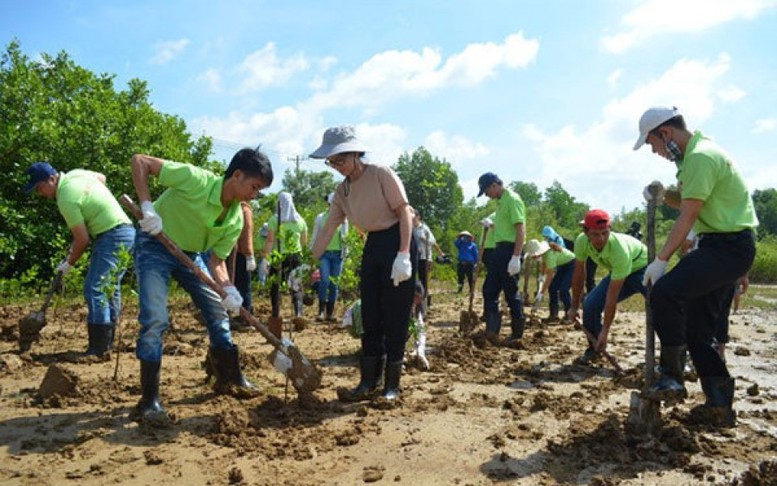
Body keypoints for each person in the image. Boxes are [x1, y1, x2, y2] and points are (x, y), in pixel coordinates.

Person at [635, 106, 758, 426]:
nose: (655, 152)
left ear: (666, 133)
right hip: (727, 247)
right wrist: (664, 195)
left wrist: (661, 261)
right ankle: (719, 406)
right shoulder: (695, 158)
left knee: (665, 293)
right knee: (698, 332)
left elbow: (689, 215)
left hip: (725, 247)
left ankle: (672, 377)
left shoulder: (701, 157)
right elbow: (692, 199)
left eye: (653, 144)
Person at [130, 147, 273, 420]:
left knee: (218, 313)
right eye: (254, 187)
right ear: (237, 175)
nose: (254, 196)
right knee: (156, 318)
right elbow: (141, 161)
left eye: (259, 191)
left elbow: (217, 261)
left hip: (191, 255)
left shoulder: (235, 218)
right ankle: (149, 401)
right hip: (155, 242)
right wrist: (147, 207)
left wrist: (229, 289)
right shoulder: (195, 179)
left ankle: (229, 379)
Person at [310, 125, 416, 402]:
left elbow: (404, 212)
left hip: (398, 240)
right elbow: (328, 229)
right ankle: (368, 381)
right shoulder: (342, 191)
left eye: (340, 160)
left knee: (395, 314)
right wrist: (308, 263)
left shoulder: (381, 174)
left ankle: (392, 385)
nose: (336, 166)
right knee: (369, 314)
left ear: (356, 153)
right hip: (374, 245)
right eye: (331, 162)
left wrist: (404, 254)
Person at [24, 162, 135, 357]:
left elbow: (83, 240)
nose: (40, 193)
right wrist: (96, 204)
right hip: (124, 230)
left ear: (52, 179)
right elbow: (102, 177)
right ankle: (106, 342)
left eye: (40, 187)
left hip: (112, 235)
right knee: (109, 287)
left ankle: (98, 348)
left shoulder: (65, 198)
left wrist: (68, 264)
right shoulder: (76, 174)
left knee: (95, 288)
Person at [567, 209, 648, 365]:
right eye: (596, 234)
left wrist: (605, 331)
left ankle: (673, 360)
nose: (601, 238)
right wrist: (574, 306)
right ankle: (595, 348)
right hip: (618, 271)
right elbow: (578, 276)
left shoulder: (619, 250)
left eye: (605, 233)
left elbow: (611, 299)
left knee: (661, 307)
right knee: (590, 304)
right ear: (586, 232)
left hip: (642, 269)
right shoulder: (581, 241)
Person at [477, 172, 526, 346]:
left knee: (511, 292)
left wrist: (516, 256)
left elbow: (520, 229)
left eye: (486, 192)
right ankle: (492, 333)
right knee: (489, 289)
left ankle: (517, 334)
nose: (487, 196)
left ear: (494, 185)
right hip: (498, 251)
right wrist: (492, 225)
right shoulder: (499, 202)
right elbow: (505, 225)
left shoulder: (512, 199)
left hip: (510, 250)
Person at [260, 192, 308, 319]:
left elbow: (270, 241)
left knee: (275, 285)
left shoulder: (274, 220)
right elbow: (304, 242)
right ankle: (298, 313)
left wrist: (266, 258)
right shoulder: (300, 221)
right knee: (295, 284)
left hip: (279, 256)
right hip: (296, 256)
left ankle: (275, 314)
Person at [310, 192, 349, 322]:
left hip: (338, 255)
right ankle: (321, 311)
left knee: (334, 284)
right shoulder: (321, 218)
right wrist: (311, 252)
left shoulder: (344, 220)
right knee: (325, 280)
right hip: (324, 254)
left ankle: (330, 314)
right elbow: (315, 236)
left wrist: (346, 253)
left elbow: (345, 238)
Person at [526, 237, 575, 323]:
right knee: (552, 288)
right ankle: (553, 315)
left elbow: (550, 277)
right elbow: (544, 264)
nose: (534, 258)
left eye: (534, 256)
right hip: (564, 266)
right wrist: (541, 275)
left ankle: (569, 315)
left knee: (563, 289)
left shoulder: (549, 255)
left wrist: (541, 293)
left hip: (573, 265)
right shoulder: (544, 254)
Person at [227, 202, 257, 317]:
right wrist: (249, 255)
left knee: (232, 284)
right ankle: (245, 316)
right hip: (241, 254)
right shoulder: (245, 210)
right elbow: (247, 233)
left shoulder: (230, 208)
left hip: (228, 251)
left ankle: (239, 314)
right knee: (244, 287)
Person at [413, 209, 444, 305]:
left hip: (425, 257)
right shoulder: (410, 228)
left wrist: (424, 240)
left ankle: (425, 299)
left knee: (424, 279)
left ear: (418, 217)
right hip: (414, 256)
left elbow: (432, 242)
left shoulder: (424, 228)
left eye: (414, 216)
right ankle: (417, 298)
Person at [409, 280, 430, 370]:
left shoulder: (418, 307)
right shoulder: (399, 305)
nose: (417, 301)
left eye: (419, 299)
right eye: (415, 297)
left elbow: (420, 331)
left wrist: (420, 351)